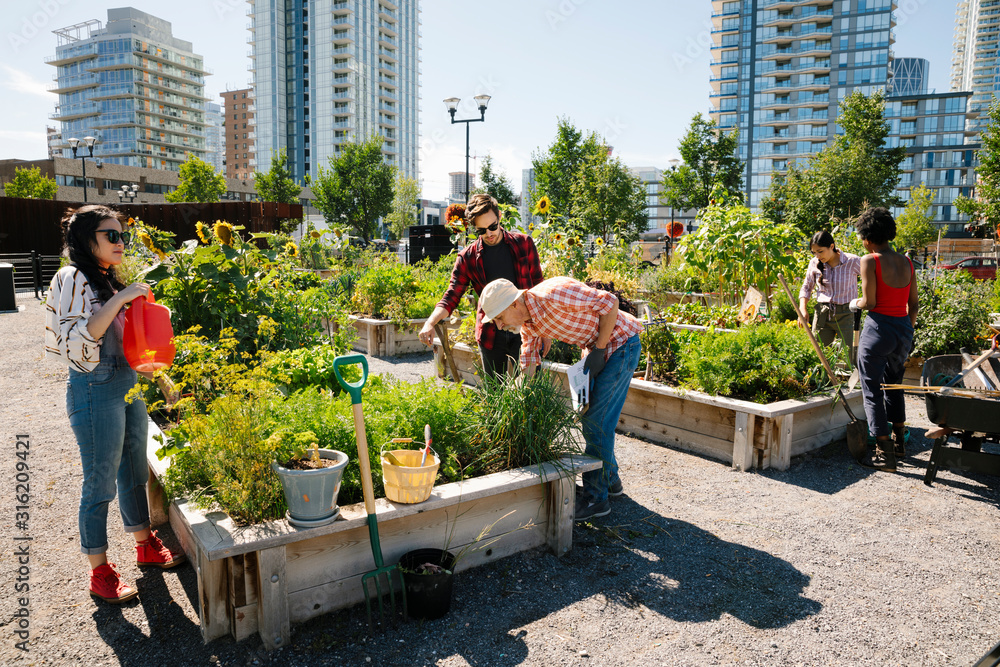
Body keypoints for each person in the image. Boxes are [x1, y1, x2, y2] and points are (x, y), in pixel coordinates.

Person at [45, 204, 185, 604]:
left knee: (133, 470)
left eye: (122, 234)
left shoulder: (104, 280)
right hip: (94, 387)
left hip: (125, 383)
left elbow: (130, 342)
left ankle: (144, 543)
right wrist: (121, 297)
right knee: (100, 480)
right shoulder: (72, 277)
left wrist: (159, 374)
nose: (121, 242)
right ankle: (99, 570)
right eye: (112, 235)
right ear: (87, 240)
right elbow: (78, 342)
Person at [479, 276, 643, 521]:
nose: (500, 326)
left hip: (621, 344)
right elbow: (528, 366)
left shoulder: (552, 295)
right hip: (595, 349)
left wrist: (598, 350)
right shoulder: (529, 324)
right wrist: (513, 398)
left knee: (597, 423)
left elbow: (610, 303)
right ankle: (611, 482)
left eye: (499, 318)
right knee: (588, 416)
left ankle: (596, 499)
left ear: (514, 304)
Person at [418, 194, 549, 378]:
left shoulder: (524, 244)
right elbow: (452, 296)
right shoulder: (468, 257)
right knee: (495, 395)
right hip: (492, 334)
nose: (489, 233)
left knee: (531, 391)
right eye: (482, 230)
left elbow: (539, 288)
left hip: (526, 329)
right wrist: (429, 323)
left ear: (500, 217)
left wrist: (545, 330)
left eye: (493, 226)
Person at [849, 207, 919, 472]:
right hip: (903, 330)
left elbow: (871, 302)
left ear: (867, 237)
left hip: (878, 330)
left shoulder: (870, 261)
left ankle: (883, 454)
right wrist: (906, 331)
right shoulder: (908, 262)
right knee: (894, 386)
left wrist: (855, 302)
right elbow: (914, 305)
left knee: (872, 390)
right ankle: (900, 442)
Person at [797, 230, 862, 365]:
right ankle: (823, 384)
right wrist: (802, 309)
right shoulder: (814, 263)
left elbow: (873, 278)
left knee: (853, 356)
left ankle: (854, 385)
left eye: (820, 251)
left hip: (847, 314)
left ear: (832, 246)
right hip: (823, 315)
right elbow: (806, 287)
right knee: (819, 356)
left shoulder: (853, 261)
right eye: (814, 252)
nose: (817, 255)